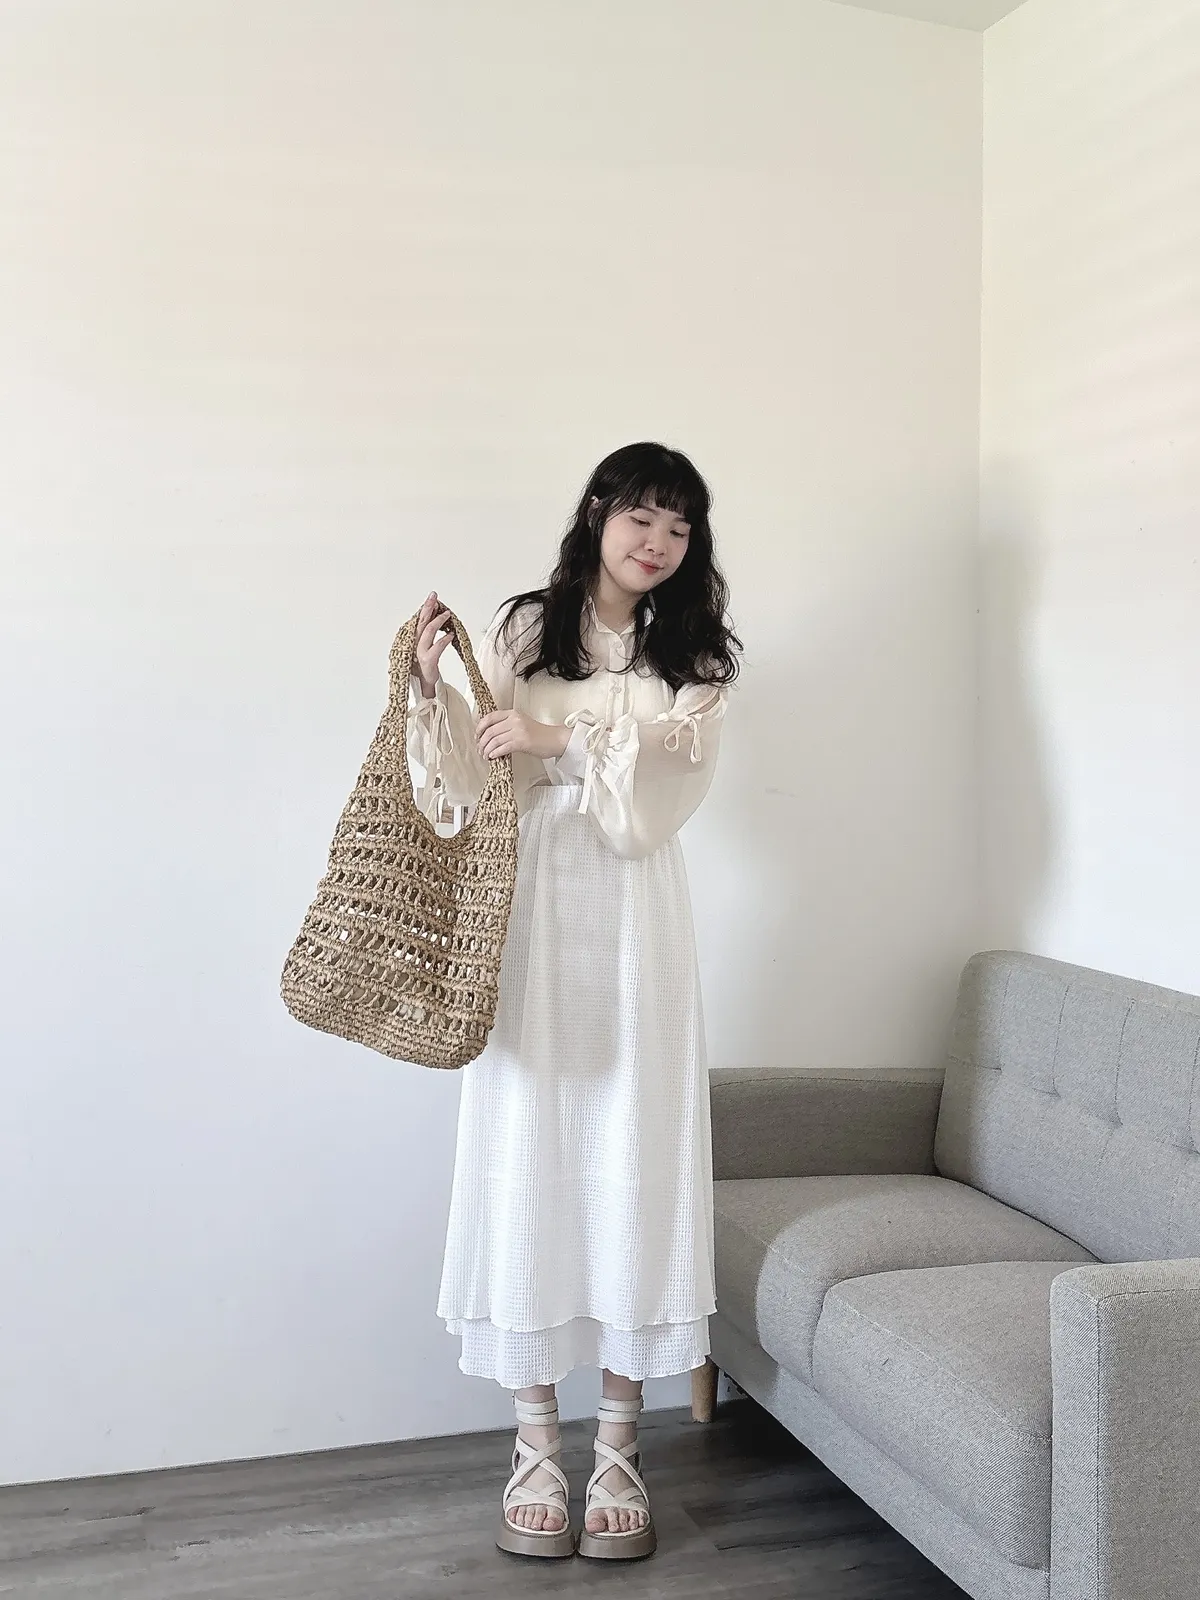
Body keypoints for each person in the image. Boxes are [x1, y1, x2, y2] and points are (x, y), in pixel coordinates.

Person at [406, 441, 741, 1561]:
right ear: (598, 512)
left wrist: (564, 736)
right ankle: (536, 1440)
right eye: (642, 516)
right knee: (531, 1140)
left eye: (680, 528)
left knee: (634, 1146)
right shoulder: (526, 630)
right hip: (536, 905)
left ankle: (621, 1441)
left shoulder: (696, 651)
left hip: (639, 911)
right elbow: (472, 774)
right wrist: (432, 689)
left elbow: (678, 769)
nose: (658, 543)